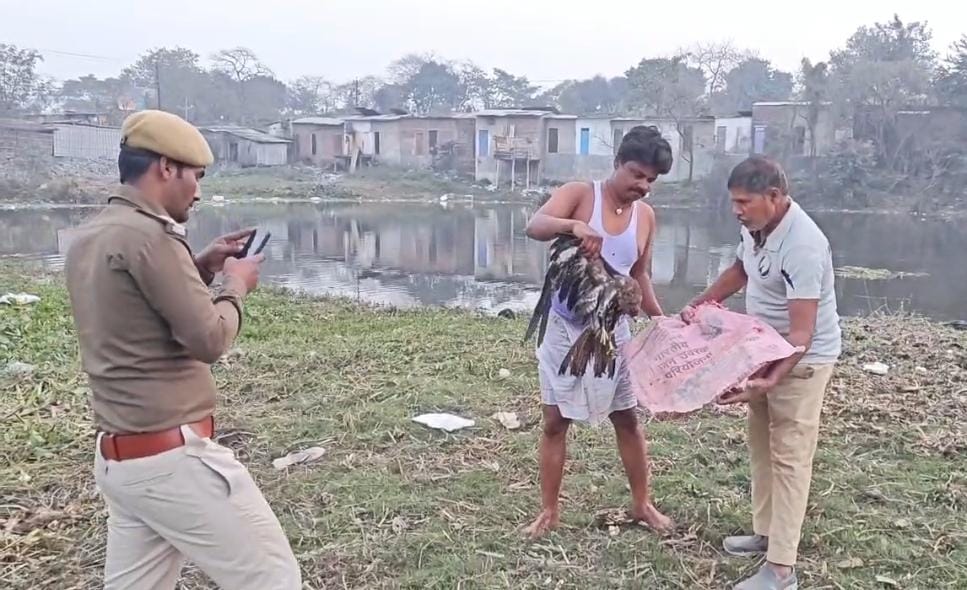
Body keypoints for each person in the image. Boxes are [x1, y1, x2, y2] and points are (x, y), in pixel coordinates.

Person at [64, 110, 301, 590]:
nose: (198, 190)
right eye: (195, 175)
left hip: (122, 458)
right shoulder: (150, 236)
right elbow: (209, 338)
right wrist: (235, 286)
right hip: (170, 460)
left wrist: (201, 267)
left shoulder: (97, 233)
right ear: (167, 168)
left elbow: (135, 309)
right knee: (273, 578)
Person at [684, 156, 841, 590]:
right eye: (733, 202)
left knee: (790, 457)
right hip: (766, 349)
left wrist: (773, 377)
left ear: (773, 197)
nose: (737, 210)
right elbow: (739, 270)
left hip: (802, 360)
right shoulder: (757, 228)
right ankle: (766, 534)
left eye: (744, 202)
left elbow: (803, 332)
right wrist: (702, 303)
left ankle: (781, 571)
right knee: (761, 445)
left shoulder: (803, 245)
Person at [522, 125, 675, 538]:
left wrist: (660, 321)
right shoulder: (581, 194)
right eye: (636, 173)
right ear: (617, 163)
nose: (642, 185)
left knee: (626, 418)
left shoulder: (646, 217)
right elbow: (536, 225)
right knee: (554, 421)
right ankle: (549, 511)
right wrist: (573, 227)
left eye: (650, 180)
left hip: (611, 334)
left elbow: (639, 276)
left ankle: (642, 504)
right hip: (563, 329)